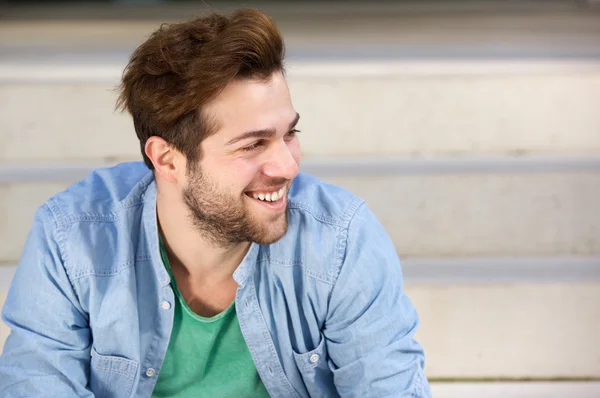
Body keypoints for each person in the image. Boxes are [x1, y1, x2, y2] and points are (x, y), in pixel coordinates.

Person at [0, 8, 430, 398]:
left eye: (289, 134)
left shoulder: (340, 240)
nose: (287, 166)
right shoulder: (72, 237)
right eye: (252, 145)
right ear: (167, 159)